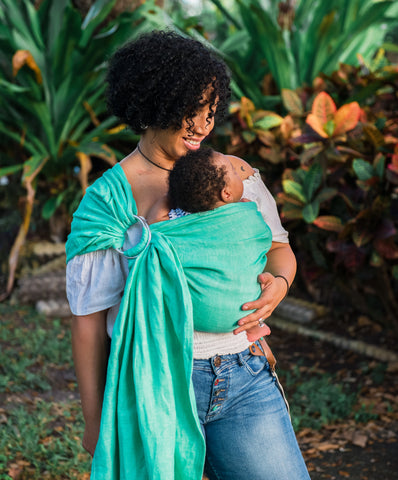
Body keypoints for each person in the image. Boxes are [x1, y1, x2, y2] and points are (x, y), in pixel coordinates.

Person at [66, 30, 310, 479]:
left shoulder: (233, 177)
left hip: (243, 377)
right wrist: (95, 418)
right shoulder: (108, 205)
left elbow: (279, 252)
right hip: (151, 385)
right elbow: (88, 323)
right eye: (189, 111)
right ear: (152, 103)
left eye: (211, 112)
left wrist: (278, 284)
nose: (202, 126)